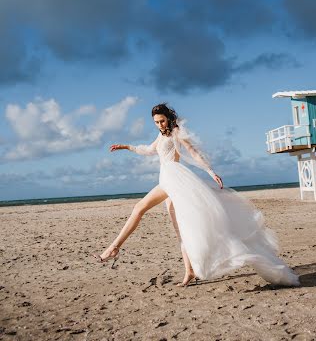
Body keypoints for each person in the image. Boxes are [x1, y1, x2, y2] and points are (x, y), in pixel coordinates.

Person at [93, 103, 299, 288]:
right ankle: (189, 271)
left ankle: (113, 248)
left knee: (138, 208)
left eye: (162, 120)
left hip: (174, 179)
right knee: (180, 231)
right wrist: (126, 147)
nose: (159, 125)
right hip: (167, 180)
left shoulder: (176, 132)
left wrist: (211, 172)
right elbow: (149, 150)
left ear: (169, 118)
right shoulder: (161, 135)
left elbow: (193, 152)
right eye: (156, 122)